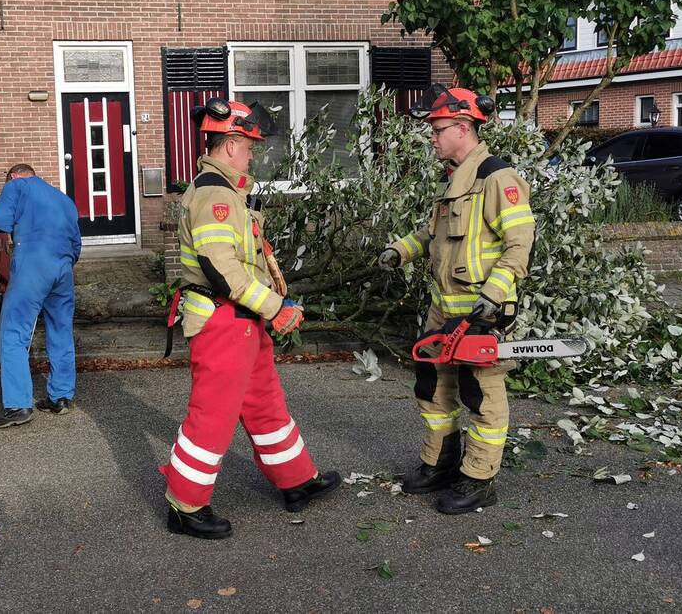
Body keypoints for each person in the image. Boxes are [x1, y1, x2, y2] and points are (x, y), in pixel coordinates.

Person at [161, 98, 341, 539]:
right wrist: (275, 306)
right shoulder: (214, 194)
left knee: (266, 406)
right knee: (213, 416)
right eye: (249, 146)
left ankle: (296, 481)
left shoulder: (228, 192)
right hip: (223, 320)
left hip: (242, 320)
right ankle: (184, 505)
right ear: (230, 144)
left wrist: (269, 305)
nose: (252, 155)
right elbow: (221, 267)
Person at [378, 85, 536, 515]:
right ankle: (441, 463)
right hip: (441, 307)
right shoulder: (454, 181)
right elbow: (432, 235)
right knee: (432, 388)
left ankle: (479, 478)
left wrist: (495, 293)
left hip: (479, 308)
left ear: (463, 128)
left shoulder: (497, 178)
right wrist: (400, 250)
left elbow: (520, 243)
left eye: (438, 129)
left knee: (480, 394)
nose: (432, 137)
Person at [0, 163, 82, 428]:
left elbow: (0, 221)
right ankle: (61, 397)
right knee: (61, 329)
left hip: (32, 264)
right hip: (63, 267)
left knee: (14, 332)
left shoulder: (16, 186)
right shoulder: (63, 199)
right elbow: (76, 244)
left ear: (14, 177)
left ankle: (18, 406)